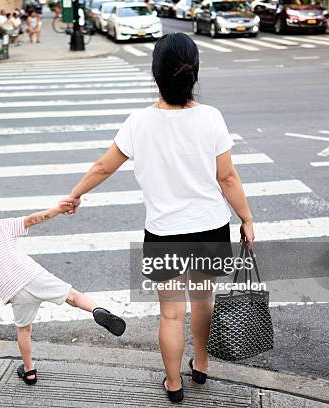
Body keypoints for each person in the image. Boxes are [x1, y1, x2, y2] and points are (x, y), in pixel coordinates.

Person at [62, 33, 255, 403]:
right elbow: (227, 177)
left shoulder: (139, 122)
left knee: (170, 314)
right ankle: (201, 364)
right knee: (203, 302)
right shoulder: (212, 118)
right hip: (209, 227)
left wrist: (76, 193)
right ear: (194, 72)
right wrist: (245, 217)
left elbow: (104, 166)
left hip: (164, 232)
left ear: (156, 74)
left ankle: (173, 384)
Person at [0, 193, 126, 385]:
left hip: (15, 293)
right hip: (34, 276)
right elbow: (33, 219)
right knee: (72, 295)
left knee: (24, 330)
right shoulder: (3, 227)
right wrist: (58, 210)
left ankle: (29, 371)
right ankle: (97, 310)